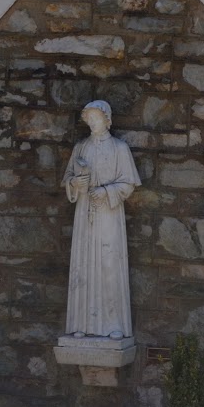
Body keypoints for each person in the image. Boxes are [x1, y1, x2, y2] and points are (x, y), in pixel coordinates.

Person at [62, 100, 139, 338]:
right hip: (85, 214)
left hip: (108, 215)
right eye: (90, 118)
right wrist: (75, 183)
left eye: (97, 117)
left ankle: (113, 324)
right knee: (83, 266)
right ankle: (82, 325)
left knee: (109, 266)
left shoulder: (119, 149)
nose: (93, 122)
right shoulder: (81, 148)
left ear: (108, 120)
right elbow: (68, 179)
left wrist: (106, 192)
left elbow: (128, 183)